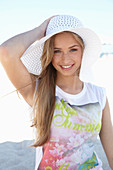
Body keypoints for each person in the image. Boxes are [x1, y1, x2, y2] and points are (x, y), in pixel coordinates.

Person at [0, 15, 113, 170]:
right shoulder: (39, 92)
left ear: (83, 50)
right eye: (57, 51)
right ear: (49, 54)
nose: (65, 59)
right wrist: (42, 30)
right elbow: (6, 52)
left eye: (73, 49)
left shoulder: (98, 95)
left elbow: (111, 149)